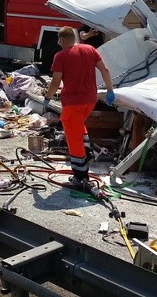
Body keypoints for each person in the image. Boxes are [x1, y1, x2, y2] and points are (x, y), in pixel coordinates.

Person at [42, 26, 115, 190]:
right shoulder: (90, 49)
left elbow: (55, 82)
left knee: (73, 139)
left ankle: (80, 176)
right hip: (90, 100)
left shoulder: (60, 55)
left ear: (61, 40)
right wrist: (110, 90)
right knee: (79, 128)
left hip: (72, 102)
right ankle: (87, 151)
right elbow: (105, 70)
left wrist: (47, 98)